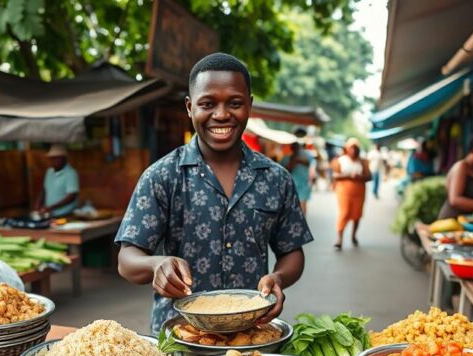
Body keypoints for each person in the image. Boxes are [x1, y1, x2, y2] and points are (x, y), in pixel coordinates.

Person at [115, 53, 312, 333]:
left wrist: (278, 277)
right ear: (189, 107)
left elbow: (293, 252)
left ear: (249, 105)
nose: (221, 114)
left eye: (234, 103)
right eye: (207, 104)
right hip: (179, 333)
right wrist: (156, 264)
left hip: (251, 333)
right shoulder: (162, 175)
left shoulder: (276, 179)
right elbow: (127, 260)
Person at [331, 138, 371, 249]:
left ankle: (354, 235)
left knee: (357, 214)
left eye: (355, 148)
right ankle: (339, 238)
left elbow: (369, 176)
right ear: (347, 149)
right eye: (351, 148)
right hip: (344, 191)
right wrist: (348, 176)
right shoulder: (340, 160)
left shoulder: (363, 161)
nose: (353, 150)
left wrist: (360, 177)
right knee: (344, 213)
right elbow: (335, 175)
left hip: (359, 192)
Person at [37, 144, 80, 218]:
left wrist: (51, 207)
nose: (53, 161)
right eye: (51, 158)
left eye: (56, 158)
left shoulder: (71, 173)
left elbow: (72, 196)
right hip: (51, 214)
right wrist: (38, 204)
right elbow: (44, 189)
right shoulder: (49, 172)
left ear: (64, 158)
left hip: (67, 214)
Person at [282, 138, 315, 215]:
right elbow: (285, 169)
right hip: (293, 184)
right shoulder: (288, 157)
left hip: (303, 184)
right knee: (294, 205)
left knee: (302, 204)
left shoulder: (307, 156)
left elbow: (312, 167)